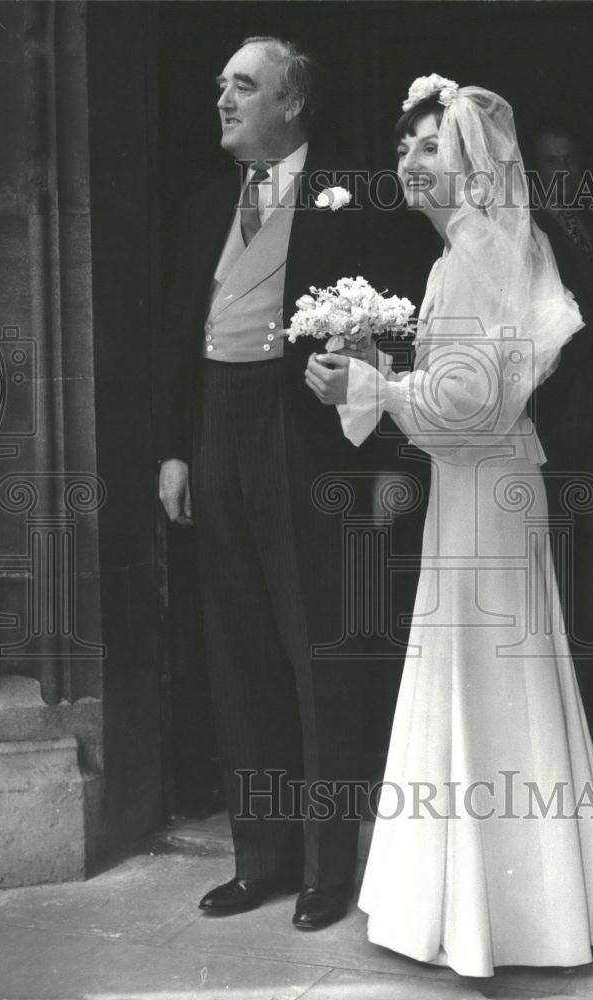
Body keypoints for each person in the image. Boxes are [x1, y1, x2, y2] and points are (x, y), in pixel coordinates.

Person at [305, 80, 593, 977]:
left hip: (484, 487)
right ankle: (502, 911)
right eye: (403, 148)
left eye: (428, 147)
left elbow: (473, 403)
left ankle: (500, 920)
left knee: (482, 677)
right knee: (484, 676)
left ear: (471, 163)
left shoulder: (474, 253)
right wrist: (381, 371)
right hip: (479, 489)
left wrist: (368, 389)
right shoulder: (474, 250)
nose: (408, 163)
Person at [155, 36, 371, 931]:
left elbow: (397, 324)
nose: (223, 99)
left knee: (316, 647)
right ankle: (263, 858)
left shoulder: (351, 198)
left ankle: (330, 868)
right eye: (220, 86)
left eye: (243, 86)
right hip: (218, 422)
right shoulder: (207, 205)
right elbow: (174, 338)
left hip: (304, 435)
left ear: (291, 104)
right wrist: (174, 449)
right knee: (238, 645)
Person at [528, 125, 593, 703]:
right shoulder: (533, 234)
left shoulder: (591, 230)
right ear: (534, 170)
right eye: (551, 162)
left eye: (571, 160)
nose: (563, 172)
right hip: (559, 421)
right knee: (564, 551)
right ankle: (569, 692)